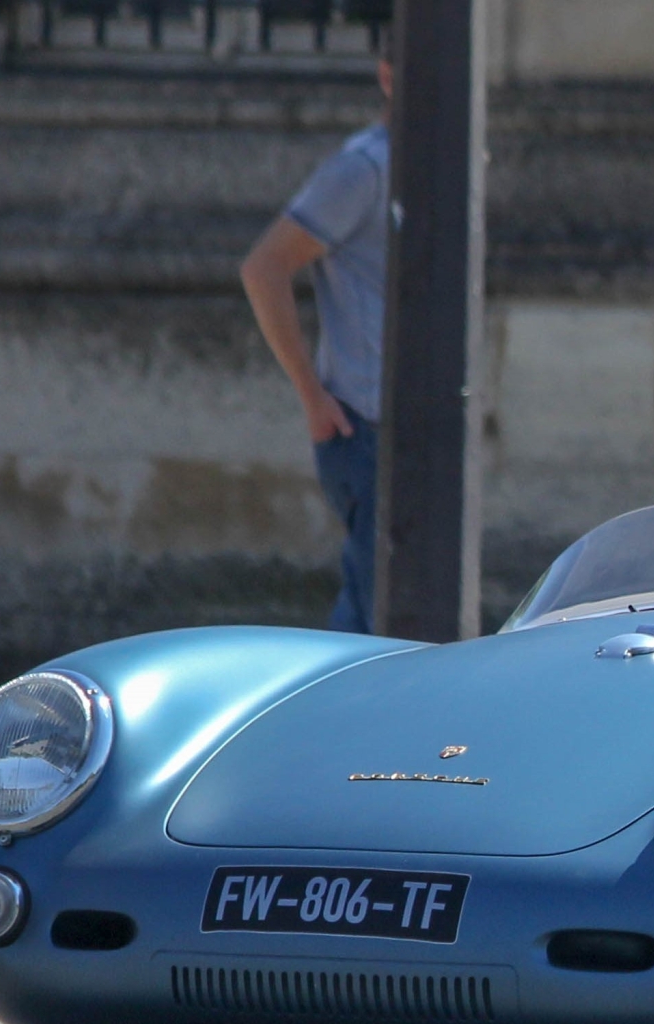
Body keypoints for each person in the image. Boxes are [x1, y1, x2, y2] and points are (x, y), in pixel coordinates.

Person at [240, 51, 393, 634]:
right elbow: (264, 267)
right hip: (365, 424)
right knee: (371, 624)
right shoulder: (363, 169)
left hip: (415, 429)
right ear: (387, 75)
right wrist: (312, 397)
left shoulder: (442, 161)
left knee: (398, 625)